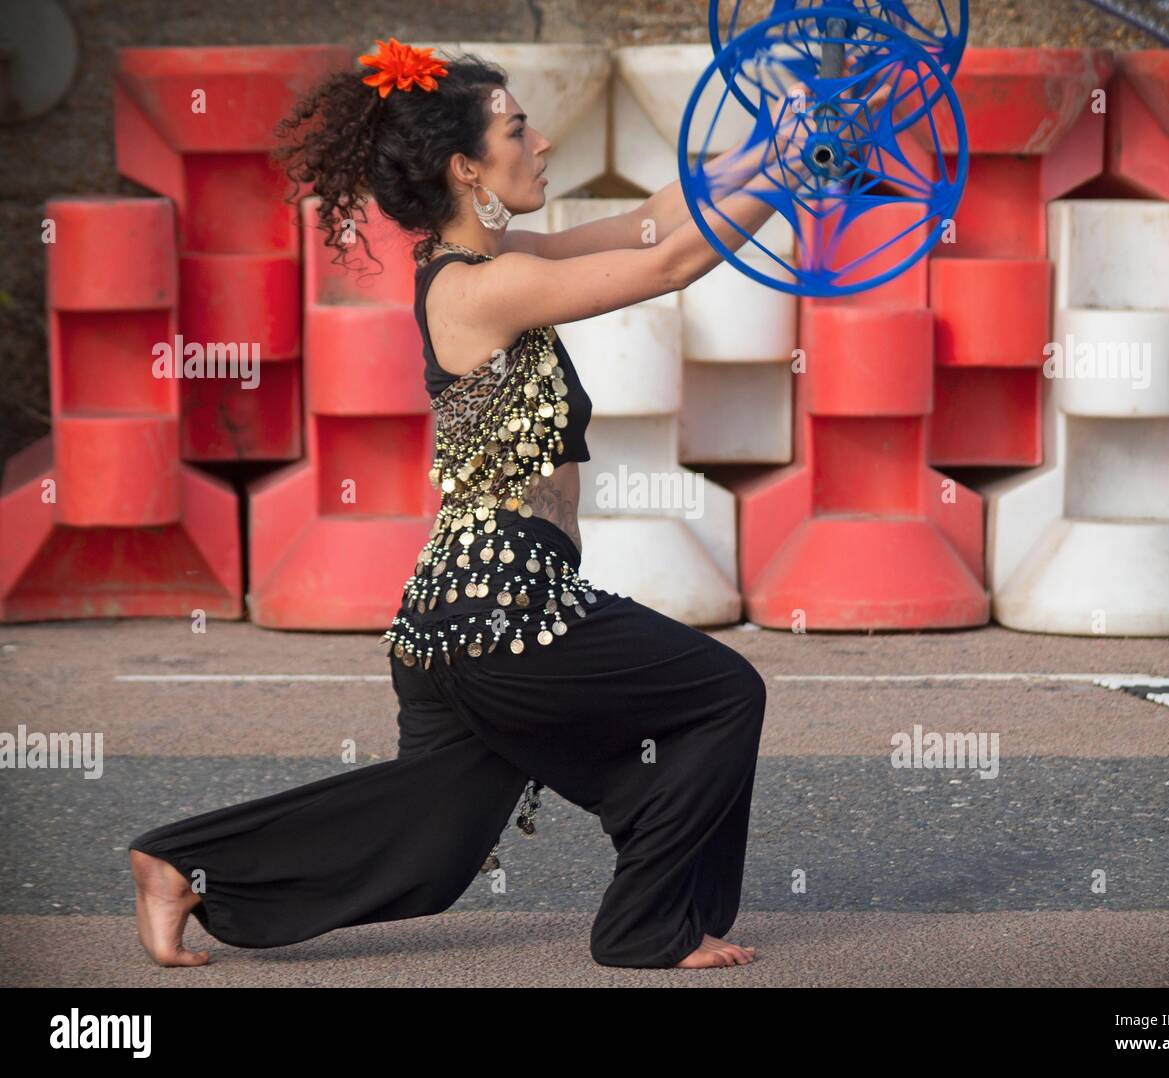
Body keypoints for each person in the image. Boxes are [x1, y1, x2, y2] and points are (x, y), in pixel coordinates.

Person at [129, 38, 804, 971]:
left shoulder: (490, 266)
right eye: (518, 130)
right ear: (466, 166)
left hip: (451, 617)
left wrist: (774, 148)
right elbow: (669, 267)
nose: (541, 147)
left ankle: (183, 862)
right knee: (725, 693)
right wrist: (806, 168)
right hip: (506, 610)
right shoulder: (488, 289)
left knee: (434, 840)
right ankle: (648, 924)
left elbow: (653, 225)